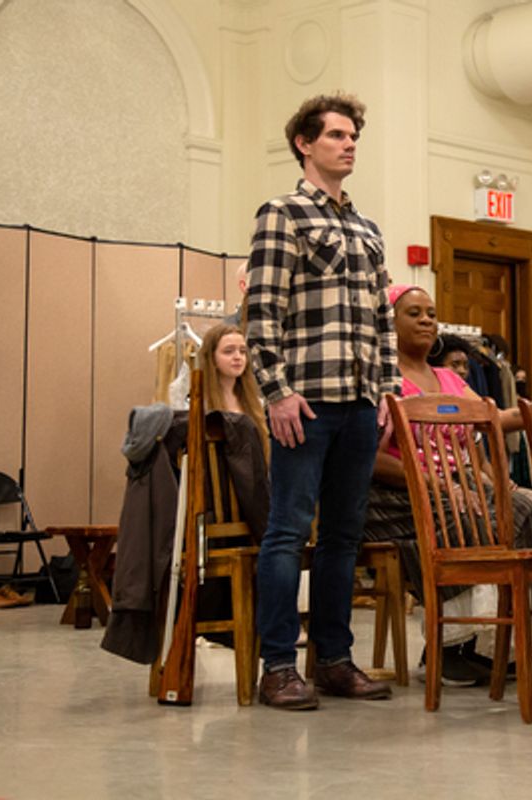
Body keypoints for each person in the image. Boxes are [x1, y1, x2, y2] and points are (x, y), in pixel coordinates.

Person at [245, 92, 398, 710]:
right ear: (305, 144)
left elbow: (381, 319)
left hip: (361, 404)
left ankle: (333, 660)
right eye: (336, 135)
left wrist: (386, 390)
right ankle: (278, 666)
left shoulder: (368, 228)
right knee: (286, 533)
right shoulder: (281, 213)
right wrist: (276, 393)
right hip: (305, 402)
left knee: (343, 536)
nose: (349, 143)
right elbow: (260, 313)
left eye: (354, 135)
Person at [366, 285, 532, 685]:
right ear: (390, 323)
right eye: (414, 313)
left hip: (456, 486)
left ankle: (500, 640)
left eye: (431, 312)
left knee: (526, 508)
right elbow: (369, 458)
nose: (426, 319)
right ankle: (453, 645)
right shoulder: (382, 377)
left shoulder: (448, 378)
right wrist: (438, 485)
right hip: (398, 494)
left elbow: (498, 418)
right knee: (472, 515)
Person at [200, 323, 269, 463]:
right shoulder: (200, 403)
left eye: (243, 351)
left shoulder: (258, 403)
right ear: (212, 358)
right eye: (228, 351)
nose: (238, 357)